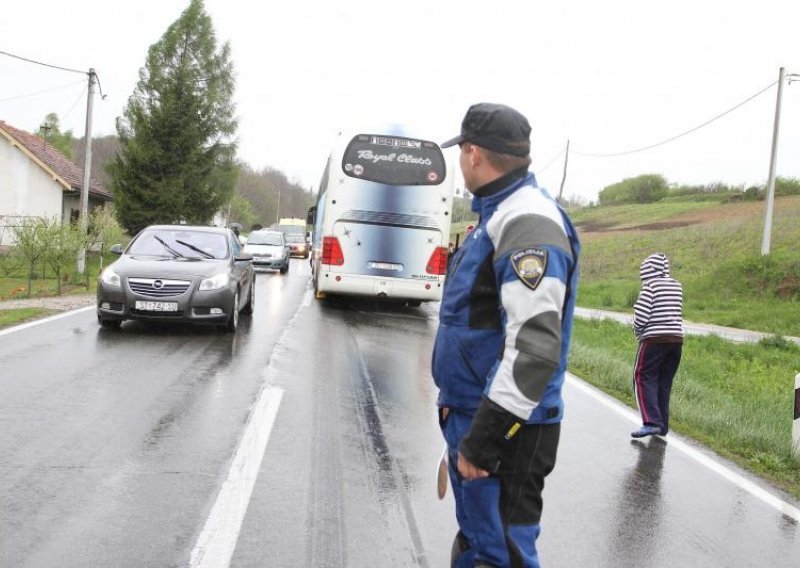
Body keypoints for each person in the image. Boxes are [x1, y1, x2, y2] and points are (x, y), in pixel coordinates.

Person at [431, 103, 580, 567]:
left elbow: (534, 349)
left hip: (507, 432)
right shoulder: (496, 216)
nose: (461, 162)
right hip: (478, 416)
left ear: (474, 154)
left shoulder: (526, 221)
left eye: (461, 152)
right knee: (480, 544)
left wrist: (485, 440)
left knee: (500, 554)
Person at [630, 252, 684, 438]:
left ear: (647, 271)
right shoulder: (677, 286)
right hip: (676, 340)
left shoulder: (649, 287)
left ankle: (651, 422)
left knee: (642, 377)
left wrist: (637, 332)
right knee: (664, 382)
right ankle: (662, 425)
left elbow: (642, 316)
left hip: (653, 340)